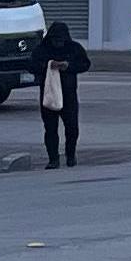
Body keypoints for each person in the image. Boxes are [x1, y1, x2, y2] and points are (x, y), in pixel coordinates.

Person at [38, 20, 85, 168]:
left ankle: (70, 155)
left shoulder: (74, 48)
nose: (58, 43)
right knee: (50, 129)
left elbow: (85, 64)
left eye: (60, 40)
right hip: (49, 94)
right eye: (55, 40)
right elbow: (31, 65)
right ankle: (53, 158)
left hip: (69, 94)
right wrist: (47, 65)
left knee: (72, 127)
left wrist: (68, 66)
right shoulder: (42, 49)